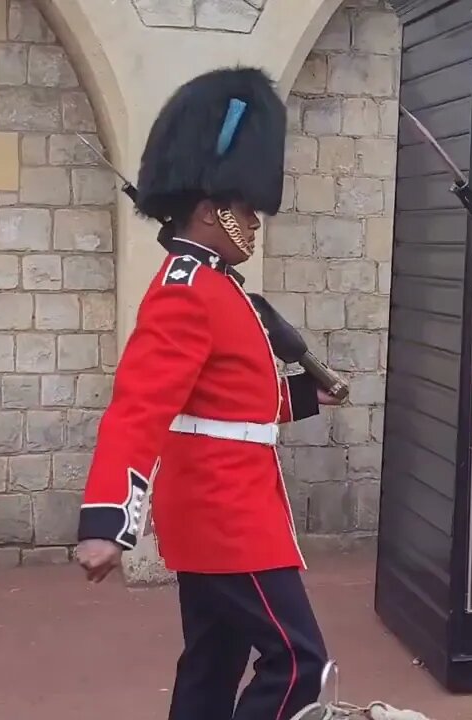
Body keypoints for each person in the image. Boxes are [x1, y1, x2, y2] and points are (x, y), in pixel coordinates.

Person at [73, 67, 341, 720]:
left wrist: (303, 396)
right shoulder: (186, 290)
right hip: (227, 517)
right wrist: (109, 521)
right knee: (300, 662)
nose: (254, 221)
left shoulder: (218, 287)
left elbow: (228, 402)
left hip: (226, 509)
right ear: (208, 206)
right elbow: (141, 407)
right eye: (246, 208)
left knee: (212, 666)